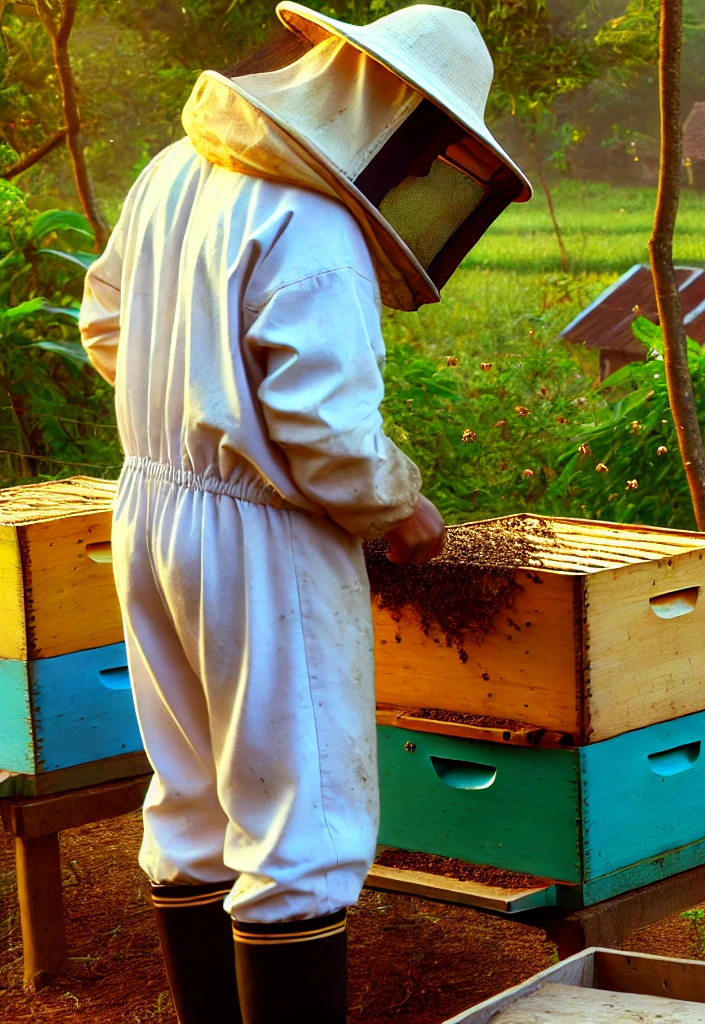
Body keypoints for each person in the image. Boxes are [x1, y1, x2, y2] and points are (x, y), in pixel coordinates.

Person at [77, 5, 531, 1021]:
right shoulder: (313, 223)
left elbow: (103, 321)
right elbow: (325, 432)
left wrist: (190, 409)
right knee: (304, 827)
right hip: (261, 542)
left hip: (150, 507)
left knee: (192, 803)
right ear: (394, 114)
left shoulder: (172, 171)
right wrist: (398, 505)